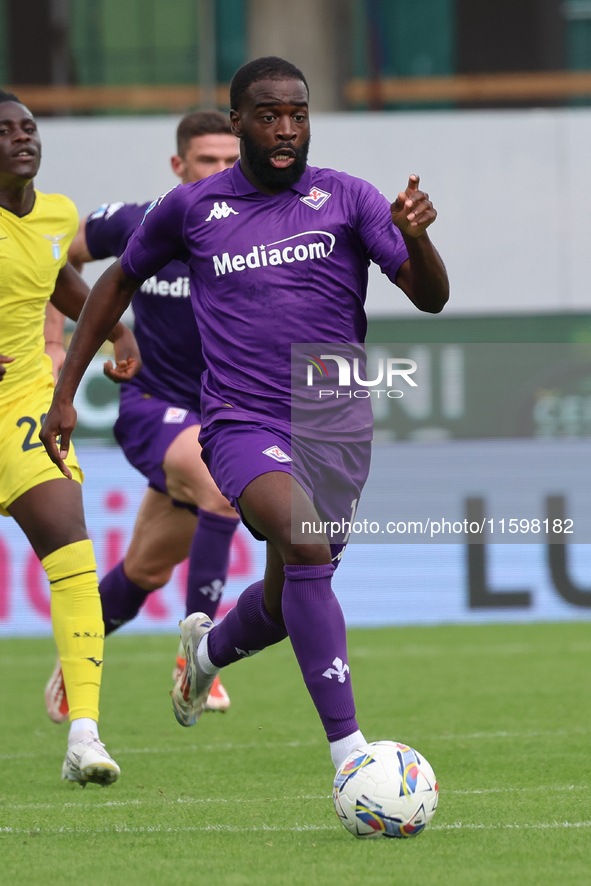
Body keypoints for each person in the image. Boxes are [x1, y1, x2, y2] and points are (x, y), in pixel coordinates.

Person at [41, 57, 449, 775]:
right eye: (268, 115)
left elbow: (430, 297)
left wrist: (415, 235)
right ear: (238, 122)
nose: (285, 128)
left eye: (297, 113)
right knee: (305, 542)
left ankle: (204, 654)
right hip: (237, 420)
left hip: (333, 421)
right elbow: (115, 280)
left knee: (286, 594)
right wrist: (65, 387)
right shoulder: (192, 209)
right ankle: (351, 756)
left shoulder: (348, 198)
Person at [43, 111, 241, 724]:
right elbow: (52, 255)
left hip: (225, 416)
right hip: (153, 407)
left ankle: (74, 666)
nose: (222, 172)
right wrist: (54, 343)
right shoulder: (140, 221)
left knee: (146, 569)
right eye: (209, 161)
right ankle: (199, 658)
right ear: (179, 167)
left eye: (233, 162)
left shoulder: (264, 234)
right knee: (220, 488)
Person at [0, 89, 140, 785]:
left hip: (20, 402)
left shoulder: (55, 214)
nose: (21, 138)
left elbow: (53, 278)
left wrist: (113, 326)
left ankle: (83, 733)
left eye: (27, 127)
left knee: (72, 545)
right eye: (4, 131)